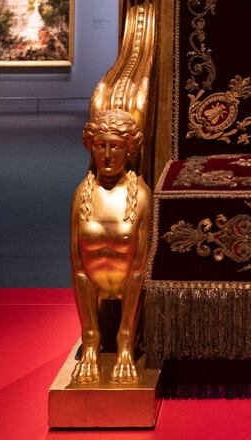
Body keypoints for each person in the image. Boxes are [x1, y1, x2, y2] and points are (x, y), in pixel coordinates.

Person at [70, 109, 151, 384]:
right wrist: (90, 341)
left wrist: (125, 342)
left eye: (115, 146)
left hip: (128, 289)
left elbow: (138, 272)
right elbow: (79, 270)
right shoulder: (82, 195)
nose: (107, 155)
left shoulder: (141, 196)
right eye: (100, 145)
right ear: (91, 147)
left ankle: (125, 345)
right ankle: (92, 344)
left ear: (128, 150)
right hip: (93, 289)